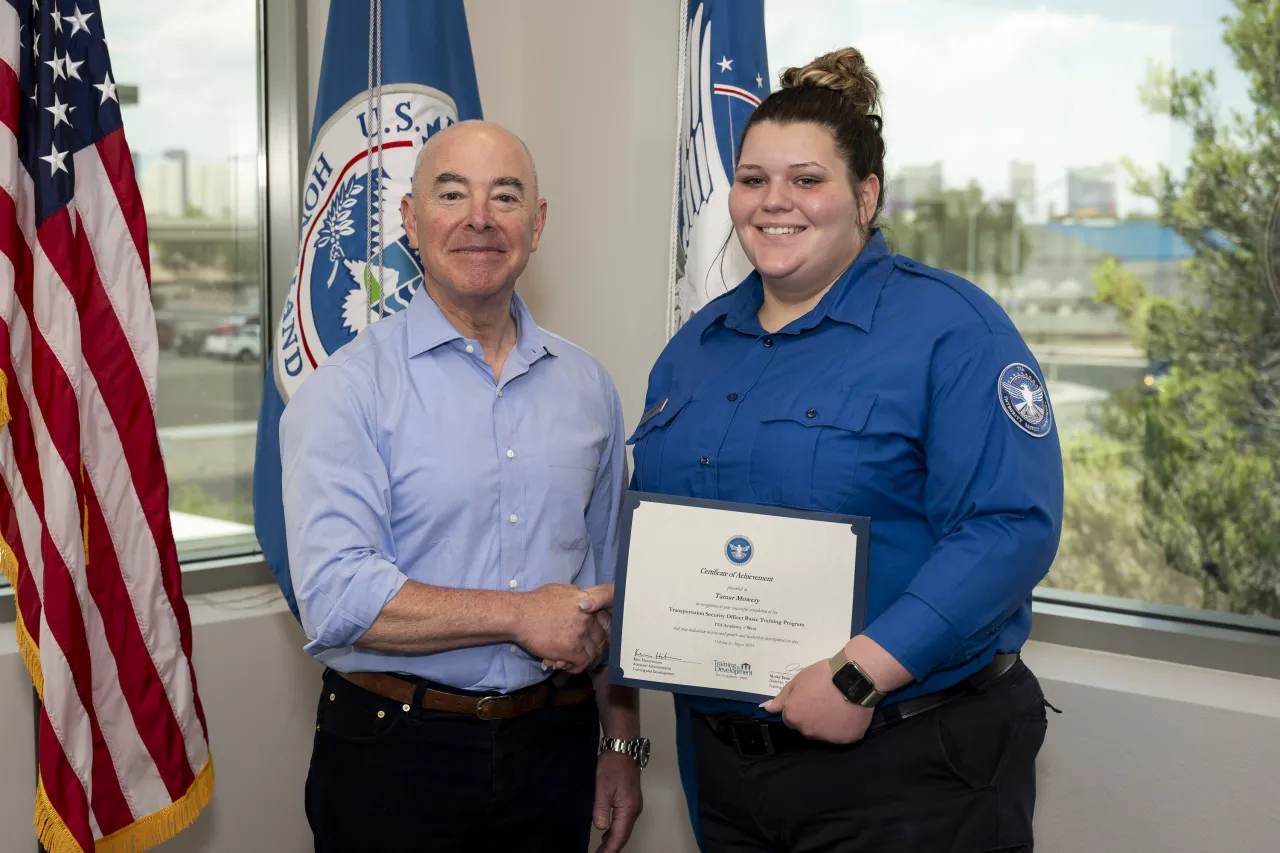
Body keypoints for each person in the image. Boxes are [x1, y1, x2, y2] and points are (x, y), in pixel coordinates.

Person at [628, 48, 1063, 852]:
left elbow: (1011, 526)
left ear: (866, 195)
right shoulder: (694, 347)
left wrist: (860, 672)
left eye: (805, 179)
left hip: (912, 768)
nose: (773, 202)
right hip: (727, 773)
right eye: (753, 179)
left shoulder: (953, 329)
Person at [280, 120, 647, 853]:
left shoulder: (588, 387)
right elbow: (337, 598)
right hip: (395, 757)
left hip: (557, 748)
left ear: (535, 224)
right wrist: (521, 614)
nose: (480, 217)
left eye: (504, 196)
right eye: (453, 194)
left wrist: (620, 745)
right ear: (412, 221)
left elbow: (610, 587)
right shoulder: (346, 391)